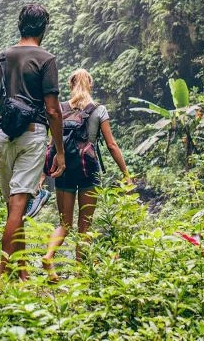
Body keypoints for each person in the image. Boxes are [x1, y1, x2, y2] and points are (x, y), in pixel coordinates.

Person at [0, 4, 66, 281]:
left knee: (16, 205)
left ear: (20, 25)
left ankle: (21, 273)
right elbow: (53, 110)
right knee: (19, 204)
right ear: (43, 28)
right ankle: (3, 271)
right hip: (32, 134)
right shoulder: (45, 59)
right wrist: (59, 151)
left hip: (1, 136)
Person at [42, 68, 130, 282]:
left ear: (71, 85)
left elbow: (52, 145)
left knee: (65, 223)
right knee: (85, 226)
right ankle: (80, 275)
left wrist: (44, 174)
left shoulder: (60, 109)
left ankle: (48, 255)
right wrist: (126, 173)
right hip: (88, 170)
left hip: (63, 169)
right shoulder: (99, 110)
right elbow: (111, 144)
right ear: (90, 85)